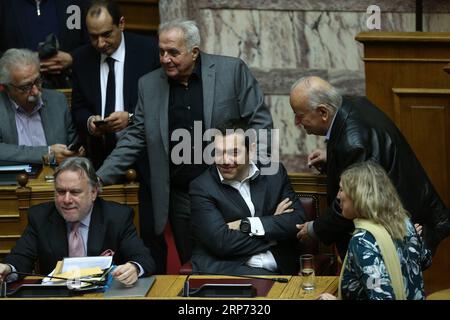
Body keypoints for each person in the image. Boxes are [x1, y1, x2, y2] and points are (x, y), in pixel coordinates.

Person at [97, 19, 273, 266]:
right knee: (194, 266)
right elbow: (136, 136)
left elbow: (261, 122)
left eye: (173, 52)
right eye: (161, 52)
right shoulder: (148, 85)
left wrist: (257, 178)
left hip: (230, 189)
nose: (165, 59)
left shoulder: (231, 71)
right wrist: (100, 177)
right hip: (182, 197)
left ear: (194, 51)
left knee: (242, 263)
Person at [289, 76, 450, 258]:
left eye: (299, 115)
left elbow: (353, 201)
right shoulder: (350, 103)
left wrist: (314, 229)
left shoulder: (354, 145)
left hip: (403, 233)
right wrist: (332, 158)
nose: (296, 122)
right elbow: (372, 151)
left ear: (323, 112)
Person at [70, 0, 163, 272]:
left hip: (146, 160)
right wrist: (90, 123)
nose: (100, 43)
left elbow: (160, 104)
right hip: (101, 159)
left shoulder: (148, 51)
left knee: (150, 233)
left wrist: (131, 118)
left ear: (121, 24)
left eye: (106, 34)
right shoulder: (82, 58)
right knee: (105, 233)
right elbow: (78, 108)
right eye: (93, 36)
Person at [0, 157, 155, 286]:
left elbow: (143, 259)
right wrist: (7, 268)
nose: (66, 200)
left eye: (75, 192)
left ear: (93, 192)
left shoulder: (117, 217)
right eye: (60, 192)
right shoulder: (40, 217)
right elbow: (20, 259)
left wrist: (133, 268)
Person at [189, 119, 305, 275]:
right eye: (218, 152)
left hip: (281, 265)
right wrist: (272, 229)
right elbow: (222, 243)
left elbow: (297, 220)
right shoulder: (202, 187)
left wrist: (248, 225)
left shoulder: (274, 173)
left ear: (251, 150)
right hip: (231, 268)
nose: (225, 160)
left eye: (234, 152)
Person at [318, 162, 431, 300]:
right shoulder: (404, 222)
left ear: (358, 195)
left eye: (341, 189)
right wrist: (414, 241)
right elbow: (425, 259)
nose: (337, 196)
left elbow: (381, 296)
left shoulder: (363, 241)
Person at [0, 48, 82, 165]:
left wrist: (75, 152)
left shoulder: (57, 101)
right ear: (7, 88)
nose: (35, 91)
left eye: (37, 81)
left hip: (57, 177)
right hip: (13, 179)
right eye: (25, 87)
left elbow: (72, 143)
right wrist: (47, 152)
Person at [0, 0, 90, 88]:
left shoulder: (77, 3)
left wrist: (72, 58)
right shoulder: (5, 4)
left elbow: (94, 43)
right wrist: (22, 62)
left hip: (70, 87)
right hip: (18, 92)